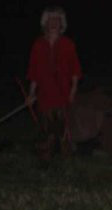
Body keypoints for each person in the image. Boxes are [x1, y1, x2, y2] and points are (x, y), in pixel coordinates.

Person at [26, 5, 82, 159]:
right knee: (46, 133)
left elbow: (75, 71)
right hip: (44, 96)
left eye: (57, 20)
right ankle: (47, 160)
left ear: (61, 23)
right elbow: (34, 73)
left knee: (64, 132)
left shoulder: (68, 44)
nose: (53, 23)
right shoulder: (38, 45)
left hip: (63, 94)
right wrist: (31, 94)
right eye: (50, 19)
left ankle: (66, 159)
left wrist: (73, 91)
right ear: (45, 22)